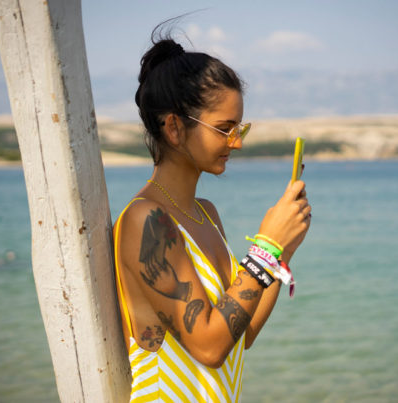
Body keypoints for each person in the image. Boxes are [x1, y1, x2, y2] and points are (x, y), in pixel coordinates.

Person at [113, 23, 312, 402]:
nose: (236, 143)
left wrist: (282, 251)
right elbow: (208, 347)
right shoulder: (146, 220)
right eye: (224, 129)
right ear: (174, 127)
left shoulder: (206, 213)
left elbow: (240, 333)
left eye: (240, 129)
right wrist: (266, 248)